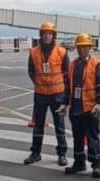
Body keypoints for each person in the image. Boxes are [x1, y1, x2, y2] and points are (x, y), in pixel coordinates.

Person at [24, 20, 68, 166]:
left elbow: (66, 73)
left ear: (54, 35)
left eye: (50, 33)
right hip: (40, 95)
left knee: (59, 126)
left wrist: (64, 95)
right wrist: (39, 83)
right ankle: (35, 153)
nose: (47, 36)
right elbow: (31, 71)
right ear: (41, 35)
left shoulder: (62, 52)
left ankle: (62, 154)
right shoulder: (34, 52)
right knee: (38, 125)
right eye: (44, 33)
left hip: (58, 95)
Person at [64, 33, 100, 178]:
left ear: (89, 47)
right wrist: (65, 104)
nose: (81, 49)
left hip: (90, 108)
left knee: (92, 137)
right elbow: (68, 87)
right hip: (75, 108)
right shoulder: (72, 65)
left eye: (84, 47)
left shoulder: (97, 64)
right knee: (77, 137)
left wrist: (99, 103)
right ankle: (79, 163)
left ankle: (96, 165)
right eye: (79, 47)